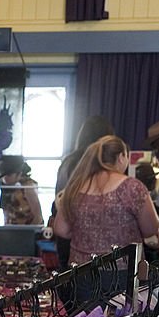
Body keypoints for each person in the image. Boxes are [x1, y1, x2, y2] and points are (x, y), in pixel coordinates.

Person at [52, 135, 159, 307]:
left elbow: (60, 229)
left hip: (81, 273)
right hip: (123, 274)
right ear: (121, 157)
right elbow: (151, 229)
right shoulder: (132, 187)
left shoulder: (76, 186)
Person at [48, 115, 115, 268]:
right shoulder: (101, 165)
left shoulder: (68, 161)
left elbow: (59, 197)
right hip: (88, 233)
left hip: (65, 227)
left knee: (67, 277)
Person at [0, 156, 43, 256]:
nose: (5, 178)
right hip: (10, 231)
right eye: (3, 175)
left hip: (27, 232)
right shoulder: (4, 185)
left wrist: (28, 235)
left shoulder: (28, 186)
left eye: (8, 175)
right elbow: (5, 211)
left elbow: (38, 216)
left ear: (19, 173)